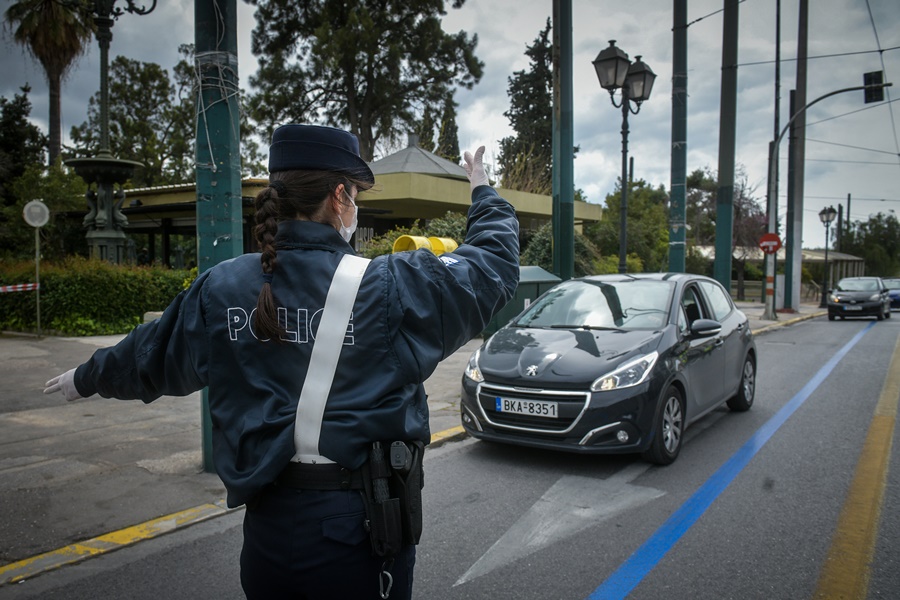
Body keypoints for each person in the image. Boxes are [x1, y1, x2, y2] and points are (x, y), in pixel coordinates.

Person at [43, 123, 520, 599]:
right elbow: (493, 266)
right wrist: (481, 191)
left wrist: (83, 378)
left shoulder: (223, 285)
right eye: (355, 194)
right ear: (339, 197)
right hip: (358, 535)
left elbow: (149, 355)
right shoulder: (389, 285)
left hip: (268, 533)